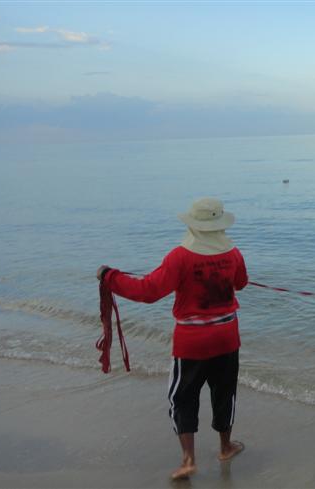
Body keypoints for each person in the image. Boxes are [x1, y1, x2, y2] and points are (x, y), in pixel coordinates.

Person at [97, 197, 248, 480]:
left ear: (194, 225)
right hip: (227, 339)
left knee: (182, 397)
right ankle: (226, 446)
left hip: (192, 343)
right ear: (219, 224)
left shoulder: (179, 257)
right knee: (224, 394)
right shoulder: (234, 254)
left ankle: (189, 460)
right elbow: (241, 282)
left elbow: (148, 291)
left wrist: (110, 277)